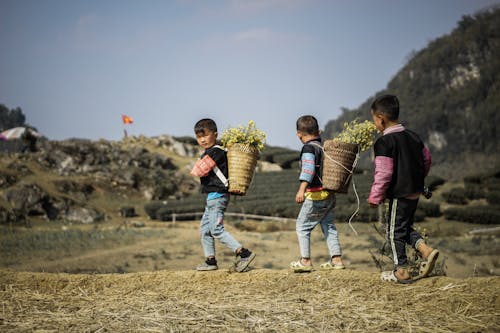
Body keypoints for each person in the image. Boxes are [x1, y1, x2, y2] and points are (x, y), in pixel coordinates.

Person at [368, 94, 439, 284]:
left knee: (393, 232)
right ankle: (426, 251)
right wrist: (417, 178)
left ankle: (401, 270)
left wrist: (375, 197)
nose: (375, 124)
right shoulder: (413, 136)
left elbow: (384, 173)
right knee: (403, 227)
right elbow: (427, 160)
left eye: (374, 120)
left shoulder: (384, 143)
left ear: (381, 118)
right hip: (415, 190)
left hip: (400, 193)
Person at [190, 118, 256, 272]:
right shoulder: (209, 152)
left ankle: (244, 254)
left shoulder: (217, 151)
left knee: (216, 229)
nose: (202, 139)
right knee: (205, 230)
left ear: (215, 134)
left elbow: (199, 170)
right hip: (212, 197)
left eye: (205, 135)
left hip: (218, 195)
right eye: (199, 137)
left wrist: (195, 167)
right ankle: (210, 260)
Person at [290, 115, 345, 273]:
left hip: (316, 195)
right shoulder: (322, 146)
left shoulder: (308, 148)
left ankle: (305, 261)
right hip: (329, 194)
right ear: (317, 131)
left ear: (299, 134)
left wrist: (301, 189)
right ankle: (337, 259)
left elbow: (308, 169)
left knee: (302, 226)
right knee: (329, 225)